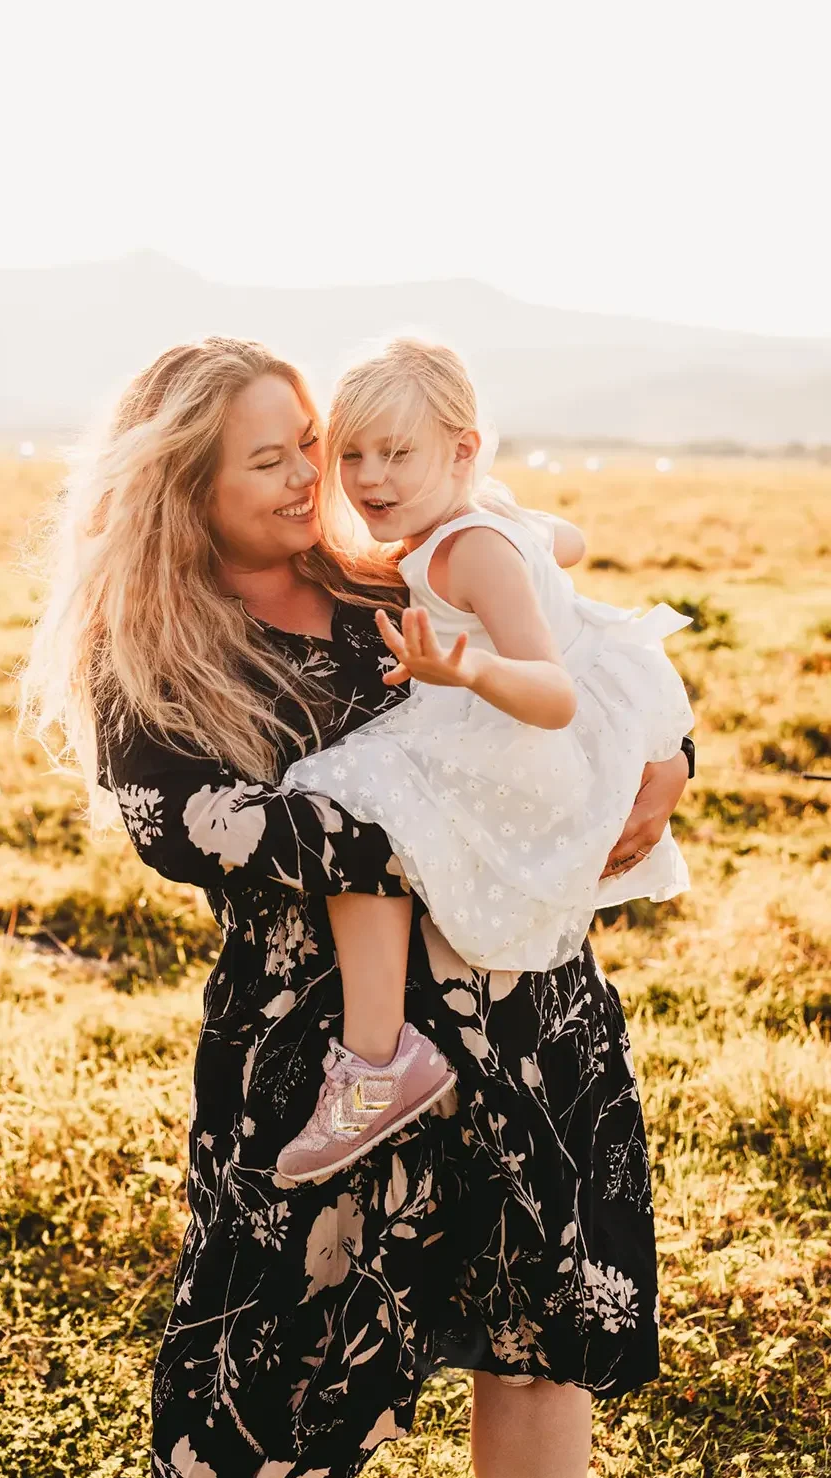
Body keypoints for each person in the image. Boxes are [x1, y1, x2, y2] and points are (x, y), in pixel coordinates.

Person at [20, 336, 693, 1478]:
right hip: (332, 1066)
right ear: (187, 487)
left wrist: (666, 760)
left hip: (525, 1029)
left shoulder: (396, 570)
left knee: (537, 1362)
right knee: (259, 1407)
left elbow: (573, 659)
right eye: (267, 461)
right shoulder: (153, 650)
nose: (306, 478)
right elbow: (195, 829)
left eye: (310, 449)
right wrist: (438, 830)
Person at [277, 339, 694, 1182]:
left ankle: (375, 1053)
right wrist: (528, 545)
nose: (368, 477)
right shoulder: (489, 519)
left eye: (398, 453)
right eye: (351, 454)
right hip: (559, 712)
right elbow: (567, 541)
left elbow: (551, 694)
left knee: (340, 795)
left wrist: (464, 664)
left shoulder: (464, 550)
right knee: (362, 794)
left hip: (532, 731)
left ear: (463, 449)